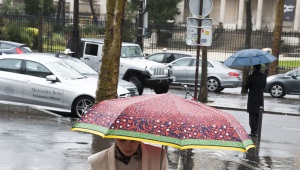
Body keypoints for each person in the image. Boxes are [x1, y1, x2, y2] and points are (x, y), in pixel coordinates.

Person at [88, 139, 168, 170]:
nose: (128, 146)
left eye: (133, 140)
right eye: (122, 140)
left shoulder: (159, 157)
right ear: (114, 137)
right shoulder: (96, 162)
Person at [246, 64, 266, 137]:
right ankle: (257, 130)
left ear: (254, 68)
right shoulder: (263, 76)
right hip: (260, 98)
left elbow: (246, 86)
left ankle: (253, 131)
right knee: (258, 115)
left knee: (252, 115)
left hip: (252, 98)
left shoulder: (251, 76)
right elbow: (264, 86)